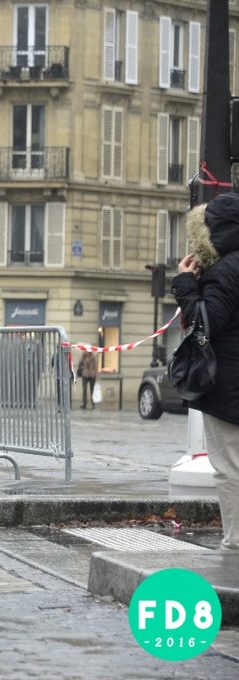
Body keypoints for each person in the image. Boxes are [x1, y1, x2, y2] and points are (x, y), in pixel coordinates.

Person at [173, 194, 239, 552]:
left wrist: (186, 283)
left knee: (229, 468)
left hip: (229, 387)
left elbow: (204, 324)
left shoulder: (226, 271)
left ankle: (236, 544)